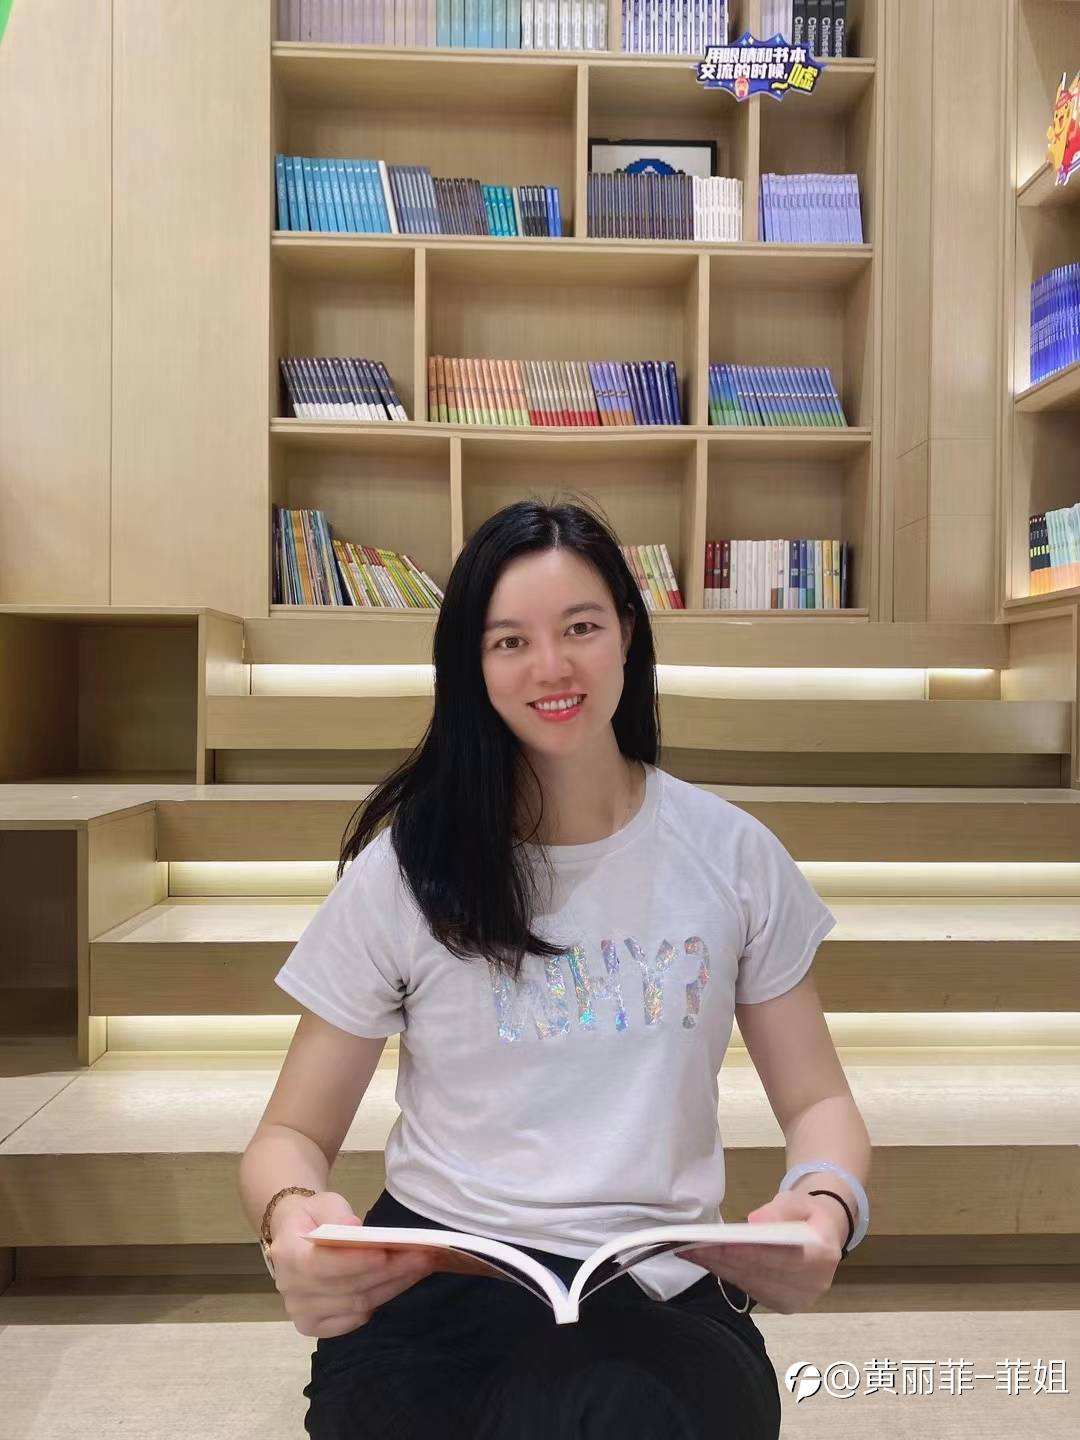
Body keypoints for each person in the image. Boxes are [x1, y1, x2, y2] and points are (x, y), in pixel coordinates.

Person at [250, 496, 872, 1439]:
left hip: (658, 1289)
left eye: (580, 627)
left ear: (627, 632)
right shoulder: (409, 869)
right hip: (441, 1285)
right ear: (471, 666)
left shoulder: (731, 855)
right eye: (510, 642)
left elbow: (820, 1103)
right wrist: (292, 1217)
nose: (552, 667)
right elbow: (290, 1133)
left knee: (619, 1407)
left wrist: (825, 1204)